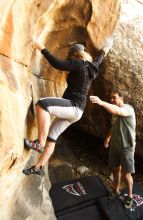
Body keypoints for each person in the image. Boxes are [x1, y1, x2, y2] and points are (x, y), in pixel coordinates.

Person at [23, 37, 113, 177]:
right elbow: (99, 58)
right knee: (52, 138)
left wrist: (42, 48)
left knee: (42, 104)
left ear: (74, 55)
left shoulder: (78, 63)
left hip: (73, 106)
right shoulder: (91, 67)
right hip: (77, 112)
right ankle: (38, 167)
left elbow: (57, 64)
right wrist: (106, 48)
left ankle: (38, 143)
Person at [90, 91, 136, 209]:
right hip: (115, 146)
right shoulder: (114, 113)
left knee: (127, 175)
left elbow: (118, 111)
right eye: (110, 98)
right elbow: (113, 126)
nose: (112, 100)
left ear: (121, 97)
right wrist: (108, 138)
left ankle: (130, 196)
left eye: (114, 98)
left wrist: (101, 102)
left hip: (127, 147)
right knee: (115, 170)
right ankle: (116, 190)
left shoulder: (128, 109)